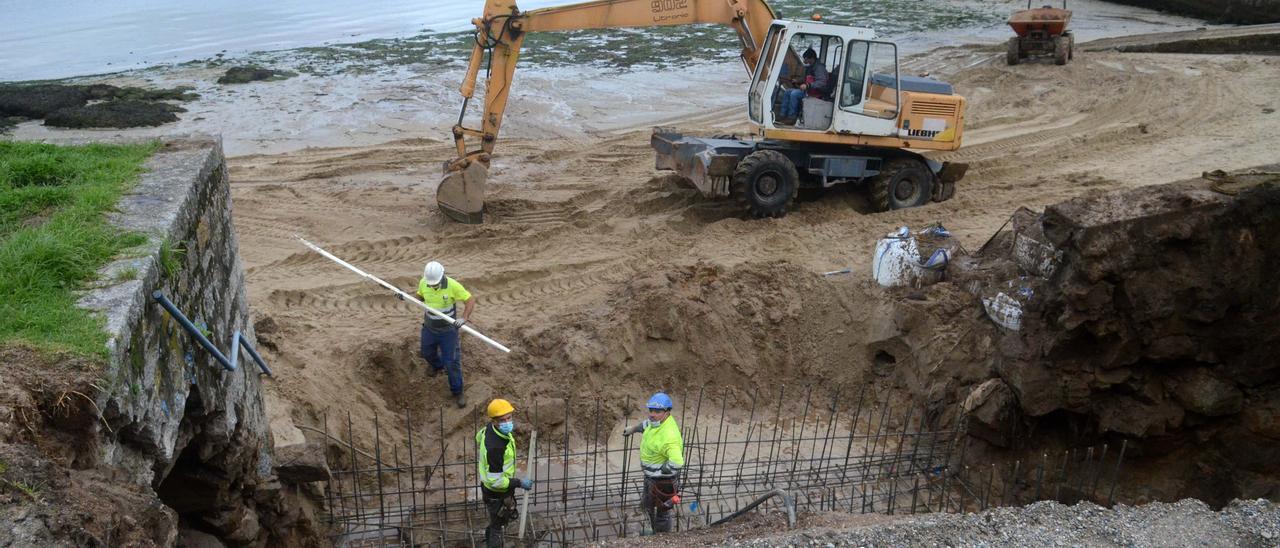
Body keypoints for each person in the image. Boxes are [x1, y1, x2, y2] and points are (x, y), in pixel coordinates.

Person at [622, 392, 685, 534]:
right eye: (651, 410)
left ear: (667, 412)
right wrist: (633, 429)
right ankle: (648, 517)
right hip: (651, 477)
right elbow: (646, 425)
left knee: (662, 512)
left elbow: (677, 461)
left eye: (657, 411)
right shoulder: (656, 422)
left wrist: (665, 469)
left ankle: (660, 537)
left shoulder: (669, 435)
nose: (652, 414)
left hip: (663, 481)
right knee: (648, 502)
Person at [416, 260, 475, 407]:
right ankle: (436, 365)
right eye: (431, 284)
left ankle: (458, 391)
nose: (433, 286)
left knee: (452, 362)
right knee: (426, 352)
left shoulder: (453, 286)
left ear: (442, 276)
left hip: (448, 331)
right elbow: (420, 297)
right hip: (429, 327)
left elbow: (470, 299)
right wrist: (405, 297)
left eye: (435, 283)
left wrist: (464, 318)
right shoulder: (424, 282)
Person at [477, 398, 534, 548]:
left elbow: (478, 437)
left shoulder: (489, 429)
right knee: (497, 527)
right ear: (494, 421)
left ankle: (490, 535)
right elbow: (496, 481)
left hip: (492, 489)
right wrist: (519, 483)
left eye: (509, 418)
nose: (508, 422)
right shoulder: (495, 448)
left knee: (496, 521)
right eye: (503, 420)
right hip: (496, 493)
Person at [777, 48, 829, 125]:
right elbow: (806, 79)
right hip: (808, 91)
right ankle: (782, 115)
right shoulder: (810, 67)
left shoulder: (819, 68)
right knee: (787, 92)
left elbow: (822, 82)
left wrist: (808, 85)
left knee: (794, 94)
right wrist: (797, 81)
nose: (805, 60)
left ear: (811, 58)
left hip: (816, 94)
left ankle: (792, 118)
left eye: (806, 58)